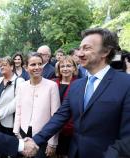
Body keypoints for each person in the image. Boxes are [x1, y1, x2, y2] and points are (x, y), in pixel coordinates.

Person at [31, 28, 130, 158]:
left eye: (86, 48)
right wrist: (35, 140)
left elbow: (127, 137)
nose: (79, 54)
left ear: (105, 51)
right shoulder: (76, 85)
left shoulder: (126, 84)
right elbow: (60, 117)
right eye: (79, 48)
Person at [13, 52, 60, 158]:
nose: (37, 67)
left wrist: (52, 142)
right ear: (25, 67)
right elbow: (18, 110)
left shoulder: (52, 86)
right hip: (23, 132)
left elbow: (55, 117)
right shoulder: (22, 86)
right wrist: (16, 132)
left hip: (43, 135)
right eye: (33, 64)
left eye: (40, 64)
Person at [0, 56, 25, 158]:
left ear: (12, 67)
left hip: (10, 122)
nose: (1, 67)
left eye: (4, 65)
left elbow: (16, 102)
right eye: (0, 65)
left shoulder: (19, 81)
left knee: (11, 148)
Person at [55, 56, 78, 157]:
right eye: (62, 66)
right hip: (53, 127)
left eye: (68, 66)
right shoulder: (52, 83)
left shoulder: (79, 84)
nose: (65, 69)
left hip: (70, 129)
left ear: (74, 68)